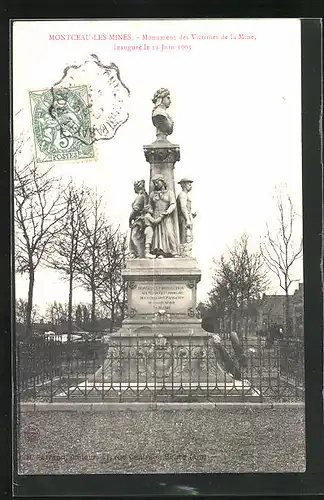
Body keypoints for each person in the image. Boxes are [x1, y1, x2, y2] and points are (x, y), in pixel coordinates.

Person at [148, 174, 179, 258]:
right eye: (154, 183)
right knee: (158, 235)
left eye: (157, 182)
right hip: (156, 216)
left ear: (162, 181)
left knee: (170, 233)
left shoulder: (169, 193)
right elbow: (150, 206)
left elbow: (173, 204)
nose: (156, 184)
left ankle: (174, 251)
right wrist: (150, 211)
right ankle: (160, 252)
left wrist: (167, 212)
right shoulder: (152, 194)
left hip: (166, 215)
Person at [176, 178, 197, 257]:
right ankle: (184, 254)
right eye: (189, 184)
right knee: (186, 236)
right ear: (184, 185)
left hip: (186, 217)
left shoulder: (185, 194)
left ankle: (186, 253)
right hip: (184, 219)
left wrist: (191, 215)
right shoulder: (182, 194)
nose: (190, 186)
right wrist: (188, 219)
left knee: (189, 236)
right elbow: (183, 207)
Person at [128, 180, 149, 258]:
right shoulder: (145, 195)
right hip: (142, 219)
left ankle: (139, 255)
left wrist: (129, 220)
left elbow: (135, 210)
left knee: (135, 237)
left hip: (139, 220)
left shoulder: (140, 196)